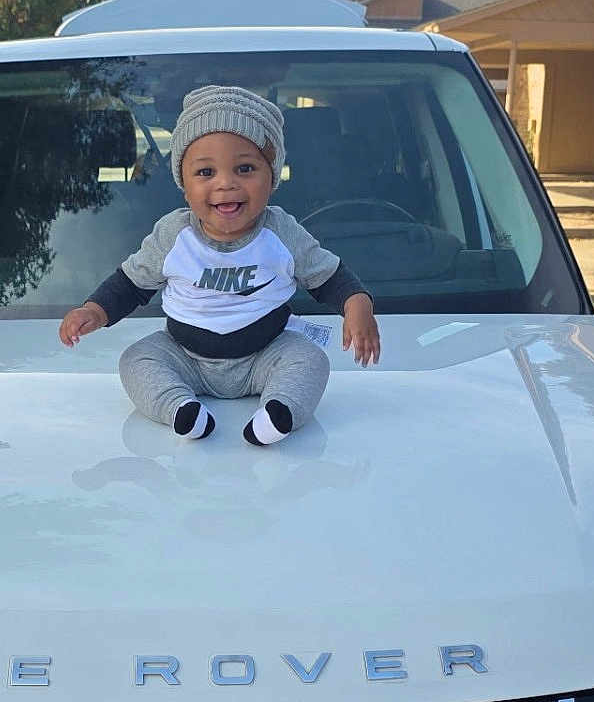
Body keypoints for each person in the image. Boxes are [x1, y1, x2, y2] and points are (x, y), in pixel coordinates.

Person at [58, 84, 381, 444]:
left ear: (271, 177)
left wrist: (357, 303)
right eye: (206, 172)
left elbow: (329, 278)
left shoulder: (282, 232)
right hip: (184, 357)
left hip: (266, 354)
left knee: (311, 360)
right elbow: (131, 284)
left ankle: (280, 412)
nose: (226, 184)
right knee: (136, 359)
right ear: (184, 184)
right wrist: (94, 310)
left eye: (245, 168)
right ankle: (180, 408)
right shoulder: (173, 234)